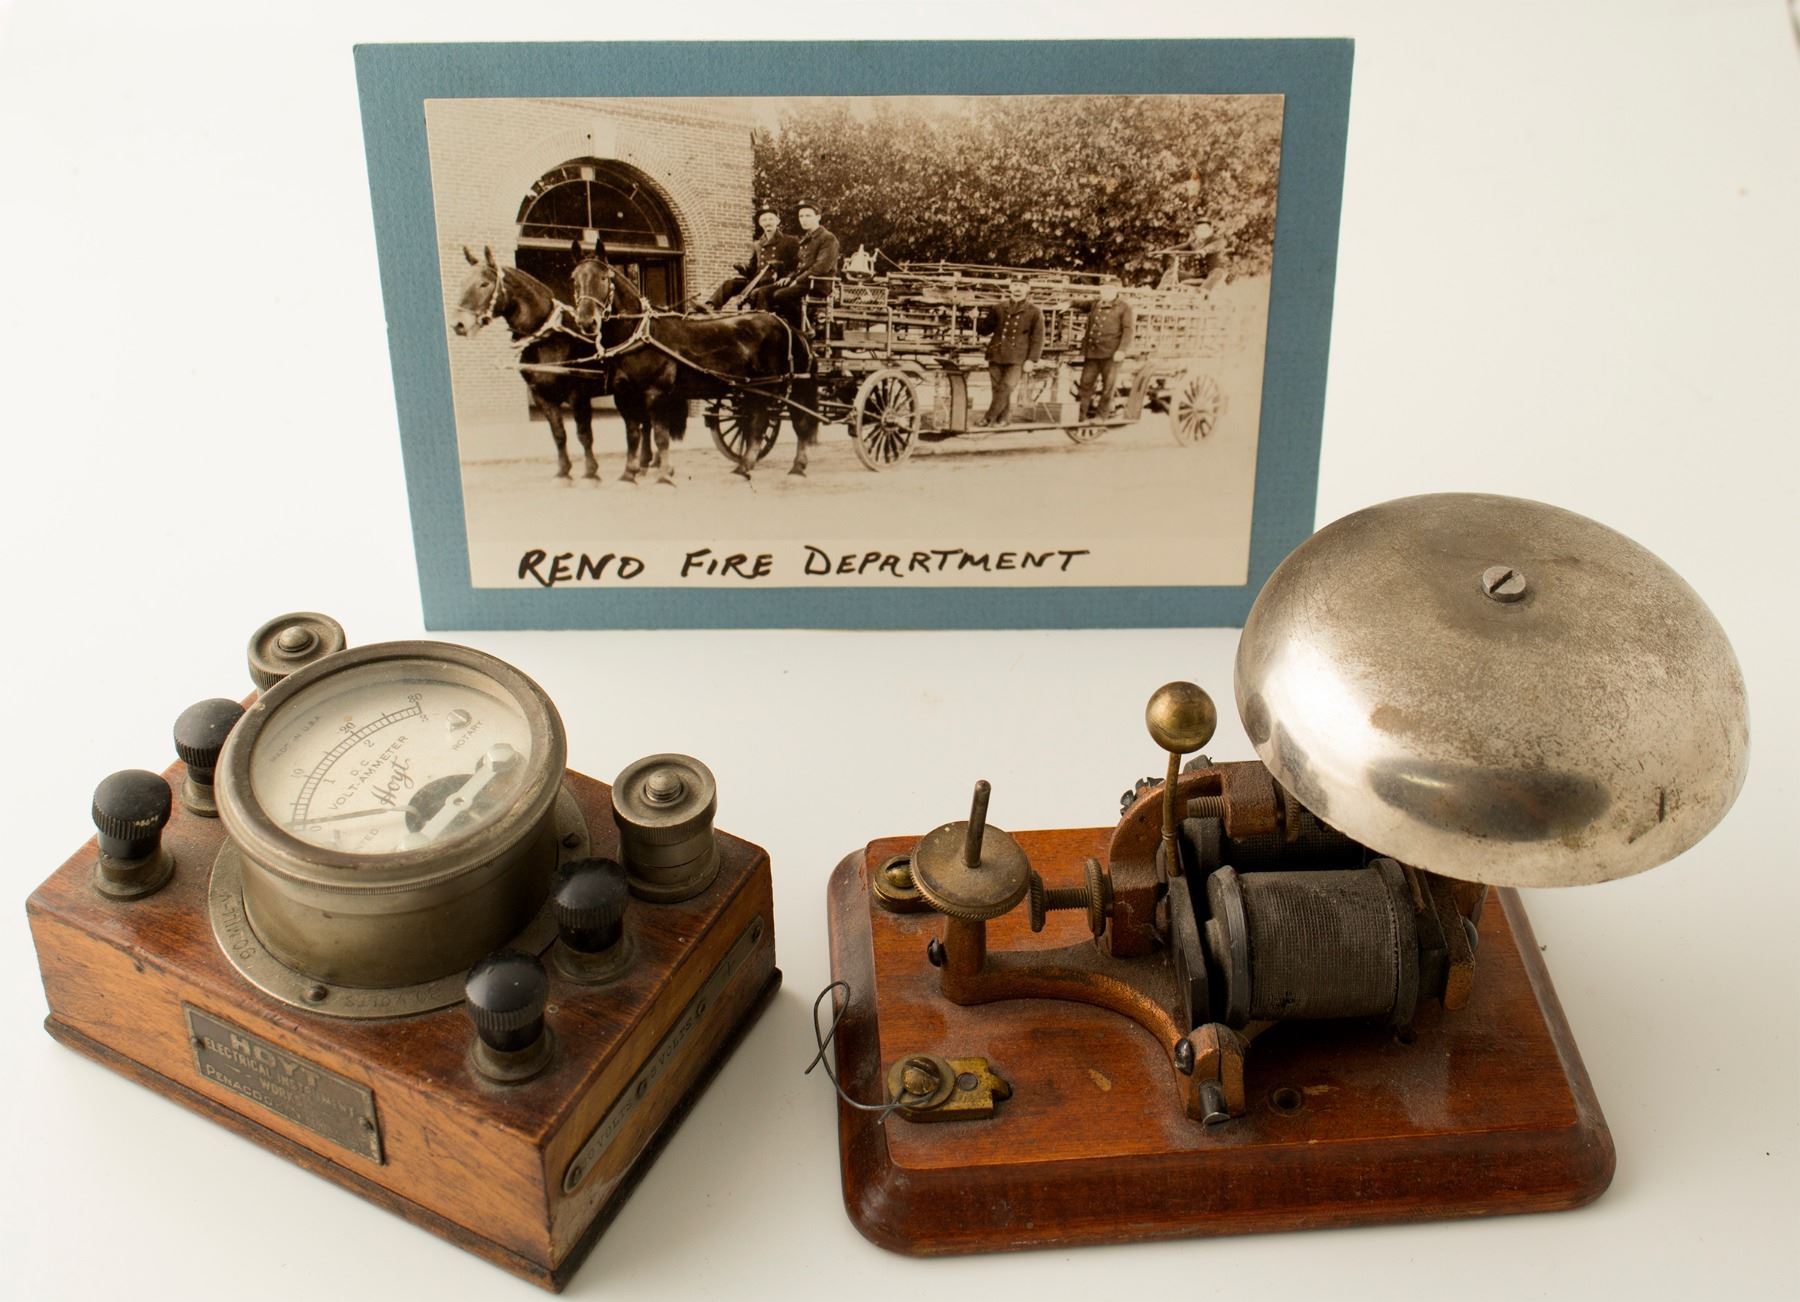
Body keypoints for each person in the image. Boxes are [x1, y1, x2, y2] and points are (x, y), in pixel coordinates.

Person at [764, 201, 840, 334]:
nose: (804, 219)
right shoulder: (806, 239)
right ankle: (773, 330)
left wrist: (797, 280)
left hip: (818, 284)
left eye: (808, 216)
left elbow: (821, 267)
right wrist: (790, 278)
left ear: (818, 217)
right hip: (804, 282)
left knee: (780, 295)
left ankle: (802, 331)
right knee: (764, 292)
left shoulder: (828, 238)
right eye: (801, 216)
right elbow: (801, 266)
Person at [977, 279, 1044, 426]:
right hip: (996, 354)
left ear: (1028, 289)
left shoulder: (1034, 311)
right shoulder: (998, 308)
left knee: (1007, 386)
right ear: (1010, 287)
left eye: (1022, 286)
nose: (1018, 288)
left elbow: (1038, 337)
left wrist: (1032, 360)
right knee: (998, 389)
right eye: (1015, 285)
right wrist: (974, 318)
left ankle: (988, 417)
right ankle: (1003, 419)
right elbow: (984, 330)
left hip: (1018, 357)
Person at [705, 206, 797, 311]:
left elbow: (796, 265)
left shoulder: (789, 241)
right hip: (758, 281)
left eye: (771, 219)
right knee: (729, 283)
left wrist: (786, 274)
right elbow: (752, 270)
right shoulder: (757, 244)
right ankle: (711, 306)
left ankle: (759, 318)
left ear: (778, 221)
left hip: (777, 282)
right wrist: (742, 268)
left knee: (758, 292)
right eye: (764, 220)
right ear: (760, 223)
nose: (767, 222)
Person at [1076, 279, 1135, 420]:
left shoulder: (1124, 307)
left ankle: (1101, 417)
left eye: (1109, 289)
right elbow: (1081, 304)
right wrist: (1068, 303)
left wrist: (1122, 350)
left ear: (1116, 291)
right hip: (1093, 352)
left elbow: (1128, 330)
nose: (1106, 292)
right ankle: (1080, 416)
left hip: (1112, 354)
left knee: (1108, 387)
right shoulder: (1096, 303)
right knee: (1085, 384)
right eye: (1103, 289)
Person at [1154, 220, 1230, 292]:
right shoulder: (1194, 242)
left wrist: (1204, 250)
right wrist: (1163, 252)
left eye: (1205, 229)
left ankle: (1201, 293)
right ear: (1196, 232)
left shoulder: (1218, 240)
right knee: (1171, 273)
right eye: (1200, 230)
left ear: (1210, 230)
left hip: (1213, 273)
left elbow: (1215, 246)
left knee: (1218, 272)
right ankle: (1159, 293)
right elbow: (1179, 247)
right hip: (1197, 275)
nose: (1202, 231)